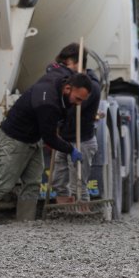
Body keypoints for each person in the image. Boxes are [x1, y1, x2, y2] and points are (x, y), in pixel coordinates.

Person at [0, 72, 90, 224]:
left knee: (33, 183)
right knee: (4, 185)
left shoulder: (57, 80)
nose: (79, 104)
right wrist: (70, 149)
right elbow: (50, 138)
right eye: (78, 99)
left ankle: (25, 225)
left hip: (33, 139)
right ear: (67, 89)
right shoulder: (48, 104)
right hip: (14, 140)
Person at [47, 43, 101, 203]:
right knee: (58, 183)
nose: (63, 68)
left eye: (66, 64)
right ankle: (66, 212)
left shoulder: (90, 86)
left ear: (77, 64)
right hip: (64, 140)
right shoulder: (68, 82)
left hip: (81, 142)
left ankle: (81, 214)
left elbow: (71, 108)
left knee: (78, 185)